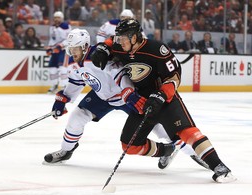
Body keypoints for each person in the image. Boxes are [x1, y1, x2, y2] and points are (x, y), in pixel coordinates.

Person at [90, 18, 236, 183]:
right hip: (141, 102)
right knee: (129, 145)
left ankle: (219, 167)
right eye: (118, 38)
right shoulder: (120, 47)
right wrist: (102, 48)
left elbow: (175, 77)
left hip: (165, 98)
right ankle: (166, 150)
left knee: (187, 132)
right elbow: (109, 43)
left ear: (133, 37)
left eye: (122, 38)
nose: (119, 42)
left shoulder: (157, 49)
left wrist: (161, 95)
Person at [43, 28, 177, 164]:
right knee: (77, 117)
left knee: (155, 124)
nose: (72, 52)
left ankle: (182, 146)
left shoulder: (98, 56)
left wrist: (129, 92)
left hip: (125, 96)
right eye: (70, 49)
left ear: (84, 47)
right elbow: (76, 82)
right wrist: (63, 99)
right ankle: (66, 151)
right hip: (102, 97)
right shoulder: (73, 62)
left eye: (75, 48)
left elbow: (118, 72)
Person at [46, 11, 71, 93]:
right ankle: (54, 85)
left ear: (62, 18)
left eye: (58, 17)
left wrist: (61, 46)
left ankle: (64, 86)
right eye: (55, 17)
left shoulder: (66, 26)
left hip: (63, 51)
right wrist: (49, 48)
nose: (56, 19)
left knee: (62, 68)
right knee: (52, 68)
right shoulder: (52, 27)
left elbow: (69, 39)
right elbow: (52, 39)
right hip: (55, 51)